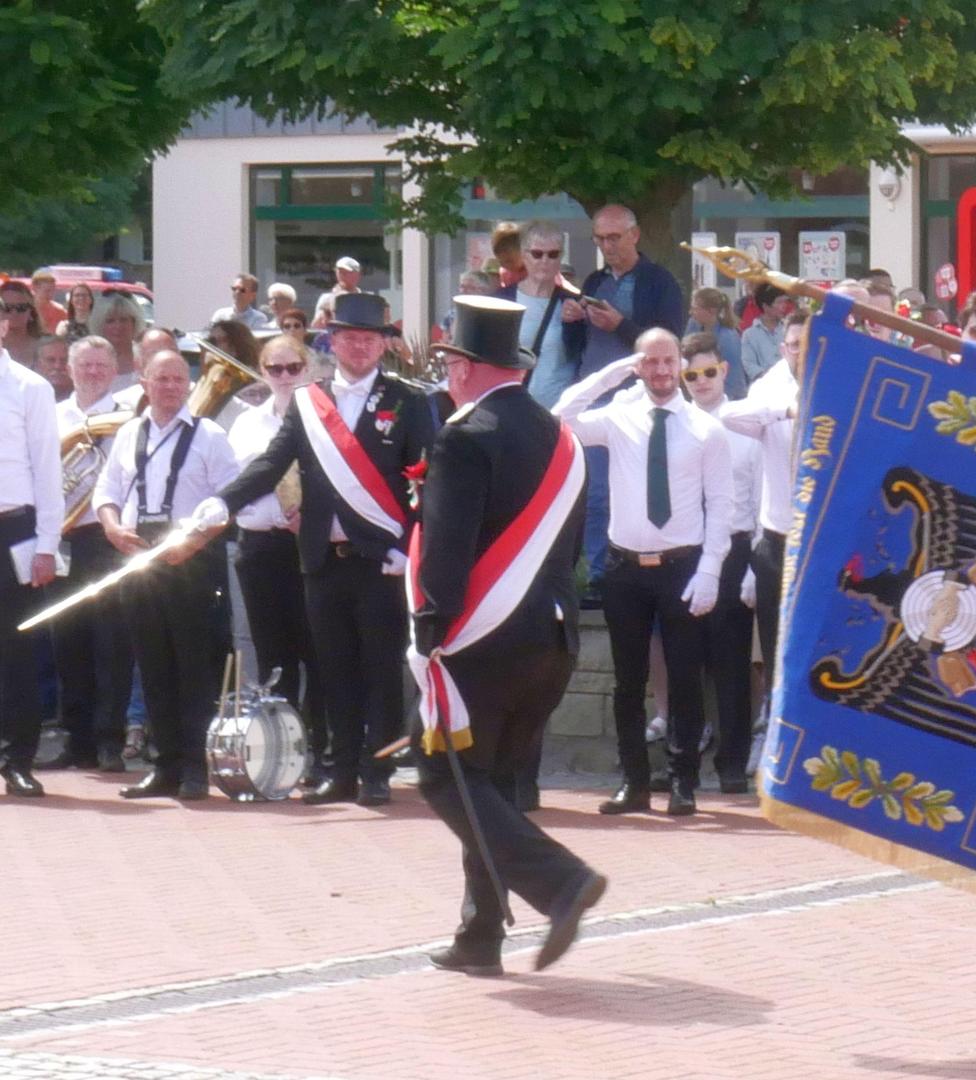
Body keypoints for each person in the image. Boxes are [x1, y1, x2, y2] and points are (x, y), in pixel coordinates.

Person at [409, 295, 605, 978]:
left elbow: (447, 548)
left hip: (480, 643)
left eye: (448, 361)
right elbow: (573, 547)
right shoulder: (561, 438)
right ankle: (481, 932)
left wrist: (427, 631)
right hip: (551, 642)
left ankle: (560, 882)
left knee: (442, 771)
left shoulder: (464, 435)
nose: (445, 374)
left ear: (463, 366)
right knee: (484, 783)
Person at [204, 293, 435, 807]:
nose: (359, 347)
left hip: (381, 562)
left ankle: (376, 772)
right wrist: (223, 504)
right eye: (349, 337)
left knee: (379, 670)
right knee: (334, 671)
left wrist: (406, 545)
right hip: (321, 560)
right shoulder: (311, 402)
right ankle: (341, 771)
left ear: (383, 345)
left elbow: (426, 482)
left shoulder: (408, 402)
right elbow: (271, 462)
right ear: (332, 341)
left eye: (369, 338)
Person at [554, 327, 732, 817]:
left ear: (680, 364)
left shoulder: (705, 429)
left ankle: (682, 783)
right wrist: (610, 375)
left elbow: (720, 505)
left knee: (684, 679)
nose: (660, 370)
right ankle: (632, 782)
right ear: (639, 366)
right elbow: (561, 418)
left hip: (682, 565)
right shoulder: (619, 417)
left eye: (667, 361)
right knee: (628, 681)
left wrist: (711, 571)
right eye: (649, 362)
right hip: (625, 566)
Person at [94, 352, 238, 801]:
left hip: (190, 554)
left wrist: (192, 543)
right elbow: (107, 490)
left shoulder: (210, 435)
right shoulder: (129, 433)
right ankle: (165, 765)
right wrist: (113, 528)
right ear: (144, 382)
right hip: (140, 553)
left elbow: (230, 500)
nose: (172, 386)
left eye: (179, 379)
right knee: (151, 661)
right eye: (162, 378)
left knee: (193, 665)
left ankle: (196, 767)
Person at [562, 204, 686, 599]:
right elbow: (578, 348)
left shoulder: (659, 281)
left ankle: (640, 567)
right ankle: (600, 575)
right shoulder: (595, 281)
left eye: (613, 238)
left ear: (634, 235)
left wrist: (622, 326)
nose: (606, 246)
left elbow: (669, 340)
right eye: (599, 238)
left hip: (639, 398)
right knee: (596, 491)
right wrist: (571, 325)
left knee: (635, 487)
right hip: (596, 397)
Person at [226, 334, 328, 784]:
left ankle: (320, 752)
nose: (284, 377)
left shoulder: (325, 419)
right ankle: (283, 752)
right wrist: (273, 513)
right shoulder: (246, 425)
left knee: (318, 654)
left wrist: (310, 515)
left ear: (308, 368)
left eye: (293, 367)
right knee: (274, 660)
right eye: (275, 369)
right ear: (262, 373)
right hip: (262, 547)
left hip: (309, 548)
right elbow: (235, 487)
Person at [42, 337, 135, 774]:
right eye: (85, 364)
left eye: (101, 364)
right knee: (69, 642)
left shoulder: (129, 418)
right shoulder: (53, 415)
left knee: (112, 644)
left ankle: (109, 742)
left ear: (115, 369)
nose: (93, 371)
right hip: (63, 539)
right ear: (71, 370)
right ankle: (76, 741)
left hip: (107, 539)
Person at [718, 312, 806, 733]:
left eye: (809, 344)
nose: (801, 352)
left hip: (826, 542)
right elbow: (731, 416)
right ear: (782, 346)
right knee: (774, 651)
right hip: (778, 540)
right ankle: (774, 735)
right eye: (794, 344)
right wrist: (787, 410)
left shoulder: (847, 380)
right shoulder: (769, 386)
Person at [683, 331, 760, 792]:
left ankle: (731, 766)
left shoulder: (745, 423)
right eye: (691, 374)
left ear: (724, 370)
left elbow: (762, 492)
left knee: (731, 665)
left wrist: (751, 562)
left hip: (735, 549)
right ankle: (684, 765)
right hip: (687, 549)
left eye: (709, 371)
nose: (701, 381)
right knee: (686, 660)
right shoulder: (676, 422)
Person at [0, 333, 62, 797]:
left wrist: (47, 545)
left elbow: (47, 469)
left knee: (16, 654)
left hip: (12, 529)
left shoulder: (29, 387)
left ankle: (17, 759)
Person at [498, 220, 582, 408]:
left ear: (561, 257)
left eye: (553, 255)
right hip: (513, 409)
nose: (545, 261)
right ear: (523, 255)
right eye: (537, 254)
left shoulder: (573, 303)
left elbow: (580, 355)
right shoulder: (501, 300)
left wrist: (579, 322)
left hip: (558, 412)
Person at [685, 287, 746, 399]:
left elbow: (732, 379)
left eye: (695, 308)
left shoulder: (728, 338)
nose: (690, 312)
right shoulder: (693, 325)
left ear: (711, 311)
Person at [738, 283, 793, 385]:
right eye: (779, 302)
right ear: (765, 306)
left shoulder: (789, 330)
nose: (784, 306)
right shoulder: (750, 335)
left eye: (785, 302)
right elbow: (749, 364)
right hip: (763, 388)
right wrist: (770, 378)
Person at [89, 293, 144, 384]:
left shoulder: (145, 357)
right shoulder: (90, 359)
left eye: (123, 320)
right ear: (100, 325)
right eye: (110, 321)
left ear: (134, 323)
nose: (117, 326)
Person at [1, 280, 44, 363]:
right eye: (7, 307)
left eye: (21, 307)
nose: (14, 312)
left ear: (31, 311)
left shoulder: (45, 346)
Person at [490, 221, 527, 291]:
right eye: (498, 251)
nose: (503, 255)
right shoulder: (500, 274)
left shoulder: (534, 274)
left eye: (509, 261)